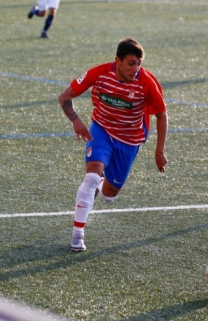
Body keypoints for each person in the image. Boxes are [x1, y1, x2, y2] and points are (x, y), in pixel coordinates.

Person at [58, 37, 168, 252]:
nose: (135, 69)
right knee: (90, 176)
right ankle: (77, 234)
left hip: (129, 139)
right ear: (117, 61)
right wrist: (76, 121)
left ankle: (102, 186)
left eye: (138, 63)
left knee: (110, 194)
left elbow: (161, 116)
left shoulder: (147, 82)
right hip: (101, 130)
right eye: (130, 63)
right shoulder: (99, 73)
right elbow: (65, 97)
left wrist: (159, 151)